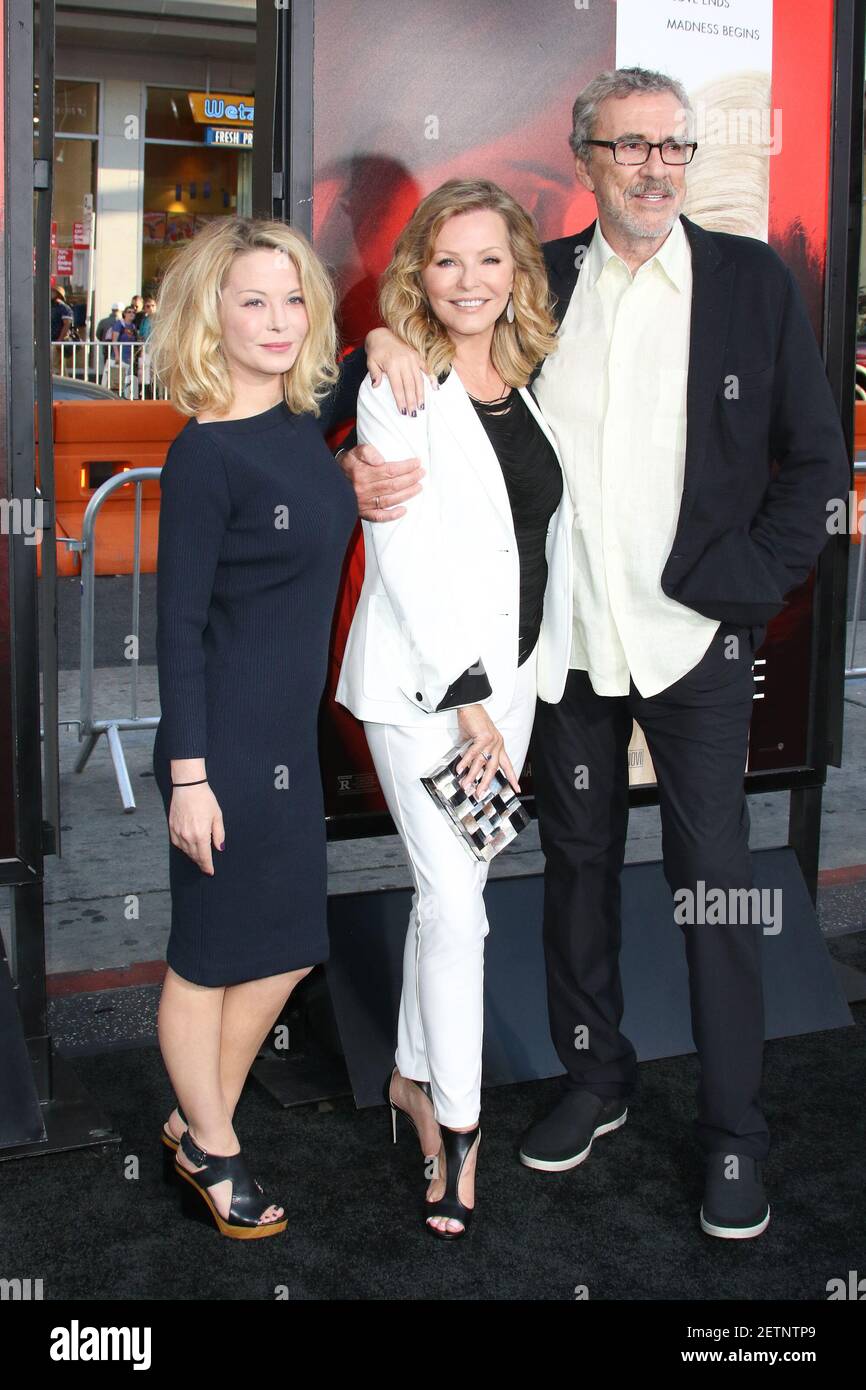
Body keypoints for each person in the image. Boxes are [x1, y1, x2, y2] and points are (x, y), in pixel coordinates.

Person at [337, 68, 850, 1240]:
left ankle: (733, 1136)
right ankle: (595, 1077)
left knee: (711, 888)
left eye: (672, 146)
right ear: (585, 160)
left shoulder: (748, 281)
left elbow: (814, 462)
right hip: (557, 654)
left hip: (690, 646)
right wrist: (372, 353)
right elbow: (418, 354)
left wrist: (746, 589)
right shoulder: (541, 276)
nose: (653, 167)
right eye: (627, 148)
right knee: (570, 874)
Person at [148, 214, 414, 1239]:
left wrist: (380, 342)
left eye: (290, 296)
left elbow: (359, 366)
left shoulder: (298, 422)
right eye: (249, 298)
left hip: (284, 749)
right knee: (207, 955)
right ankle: (214, 1147)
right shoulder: (204, 455)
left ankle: (192, 1115)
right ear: (208, 312)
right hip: (221, 748)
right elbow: (175, 633)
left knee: (290, 946)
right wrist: (187, 775)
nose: (274, 317)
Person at [335, 178, 573, 1238]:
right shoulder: (399, 382)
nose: (469, 281)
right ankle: (458, 1132)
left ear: (517, 269)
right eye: (446, 261)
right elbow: (403, 554)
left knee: (453, 888)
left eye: (489, 259)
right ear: (416, 275)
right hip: (425, 688)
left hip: (511, 684)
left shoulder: (531, 378)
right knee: (459, 904)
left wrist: (511, 685)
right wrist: (471, 696)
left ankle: (405, 1076)